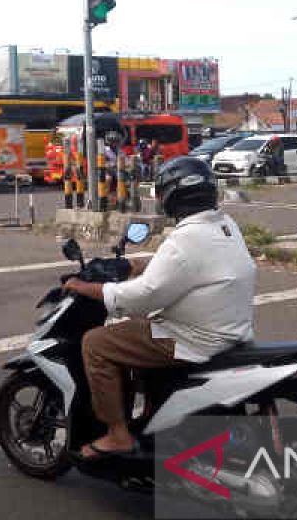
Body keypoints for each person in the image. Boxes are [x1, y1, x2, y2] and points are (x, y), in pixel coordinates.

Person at [61, 157, 255, 459]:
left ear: (173, 197)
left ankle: (117, 435)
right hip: (231, 332)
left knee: (96, 343)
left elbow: (141, 297)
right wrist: (144, 265)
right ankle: (154, 412)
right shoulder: (223, 224)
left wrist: (83, 287)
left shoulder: (186, 238)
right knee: (135, 334)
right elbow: (194, 266)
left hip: (191, 338)